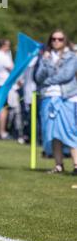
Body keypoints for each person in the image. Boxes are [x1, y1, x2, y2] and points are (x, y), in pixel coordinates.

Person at [35, 29, 77, 175]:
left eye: (60, 39)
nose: (56, 41)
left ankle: (76, 164)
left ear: (65, 40)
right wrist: (46, 61)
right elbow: (38, 77)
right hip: (48, 97)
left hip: (66, 97)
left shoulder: (72, 56)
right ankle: (58, 165)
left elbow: (66, 75)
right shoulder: (45, 57)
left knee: (69, 130)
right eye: (53, 39)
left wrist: (48, 80)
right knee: (52, 133)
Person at [0, 39, 14, 139]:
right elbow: (12, 69)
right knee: (3, 109)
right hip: (3, 84)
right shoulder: (4, 56)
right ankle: (2, 131)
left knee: (0, 108)